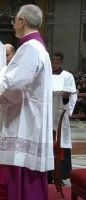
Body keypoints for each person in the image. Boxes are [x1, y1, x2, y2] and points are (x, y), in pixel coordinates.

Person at [0, 4, 53, 200]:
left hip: (23, 122)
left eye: (14, 21)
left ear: (22, 21)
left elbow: (16, 84)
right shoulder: (38, 47)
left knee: (20, 176)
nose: (13, 25)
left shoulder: (29, 48)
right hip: (30, 117)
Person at [50, 52, 77, 185]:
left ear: (62, 62)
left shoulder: (67, 76)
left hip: (60, 113)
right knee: (47, 145)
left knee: (60, 145)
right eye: (53, 61)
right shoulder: (46, 75)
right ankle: (47, 176)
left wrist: (66, 96)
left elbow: (72, 95)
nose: (54, 64)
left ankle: (59, 176)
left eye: (57, 62)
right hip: (46, 114)